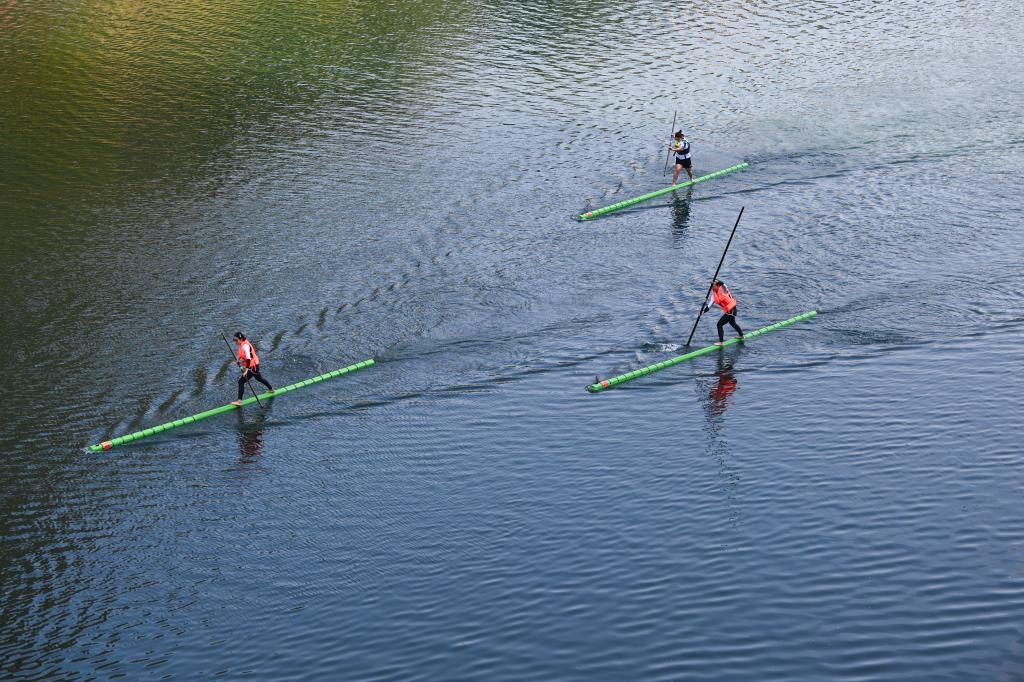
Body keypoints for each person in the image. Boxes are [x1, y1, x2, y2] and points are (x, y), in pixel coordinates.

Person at [231, 332, 273, 405]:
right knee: (259, 379)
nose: (235, 342)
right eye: (234, 340)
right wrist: (238, 359)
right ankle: (271, 389)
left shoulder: (245, 346)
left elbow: (248, 359)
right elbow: (240, 353)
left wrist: (246, 371)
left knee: (241, 382)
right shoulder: (241, 344)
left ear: (241, 339)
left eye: (236, 340)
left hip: (253, 366)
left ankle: (239, 401)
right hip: (253, 365)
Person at [703, 280, 744, 346]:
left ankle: (721, 342)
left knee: (719, 324)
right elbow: (709, 306)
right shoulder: (713, 296)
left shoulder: (723, 289)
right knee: (733, 323)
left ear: (718, 286)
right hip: (729, 311)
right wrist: (702, 312)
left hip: (732, 310)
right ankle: (741, 335)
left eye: (713, 286)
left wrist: (717, 281)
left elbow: (723, 283)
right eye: (711, 287)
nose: (712, 288)